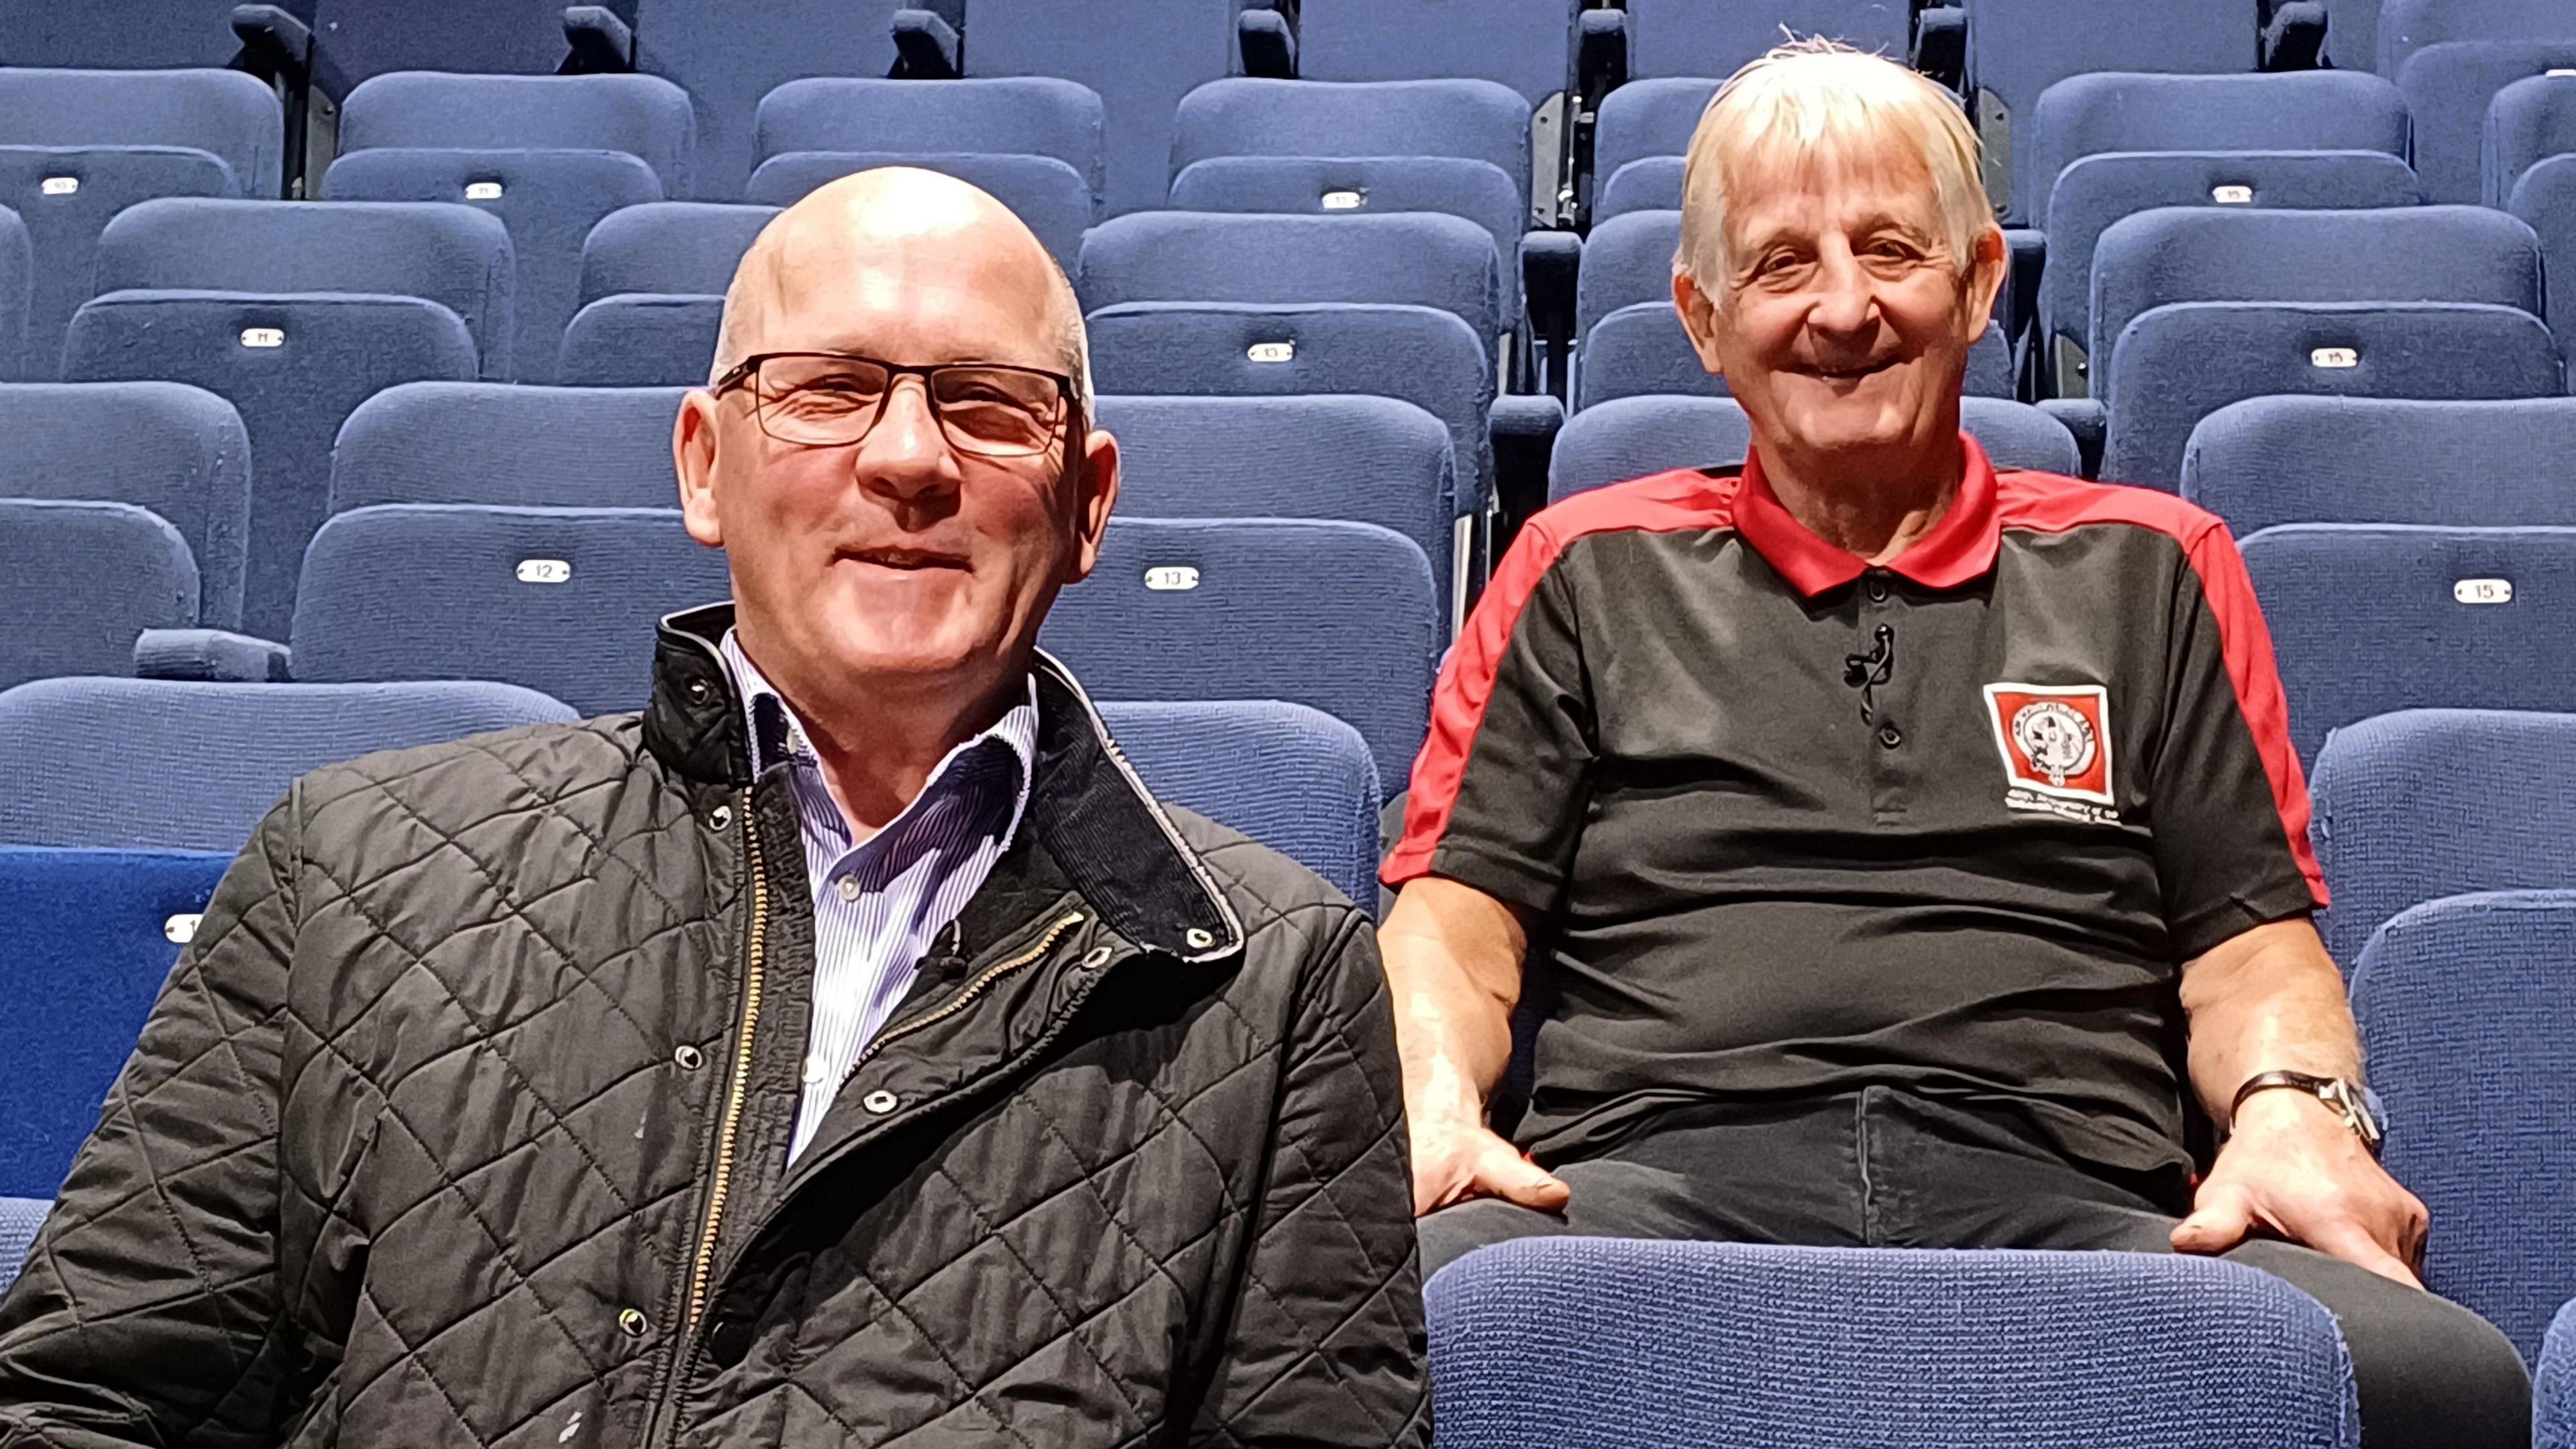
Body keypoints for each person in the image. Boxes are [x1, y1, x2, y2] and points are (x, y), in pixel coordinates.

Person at [0, 168, 1427, 1448]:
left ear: (1086, 502)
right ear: (703, 461)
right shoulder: (355, 868)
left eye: (989, 407)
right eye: (828, 390)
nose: (912, 459)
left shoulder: (1271, 980)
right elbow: (84, 1402)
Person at [1380, 40, 2528, 1448]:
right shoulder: (1579, 566)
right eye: (1783, 264)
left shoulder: (2155, 567)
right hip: (1647, 1186)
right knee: (1348, 1332)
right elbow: (1455, 925)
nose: (1844, 310)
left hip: (2082, 1198)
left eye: (1890, 250)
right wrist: (1430, 1102)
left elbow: (2252, 950)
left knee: (2438, 1381)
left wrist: (2294, 1109)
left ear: (1982, 281)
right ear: (1703, 315)